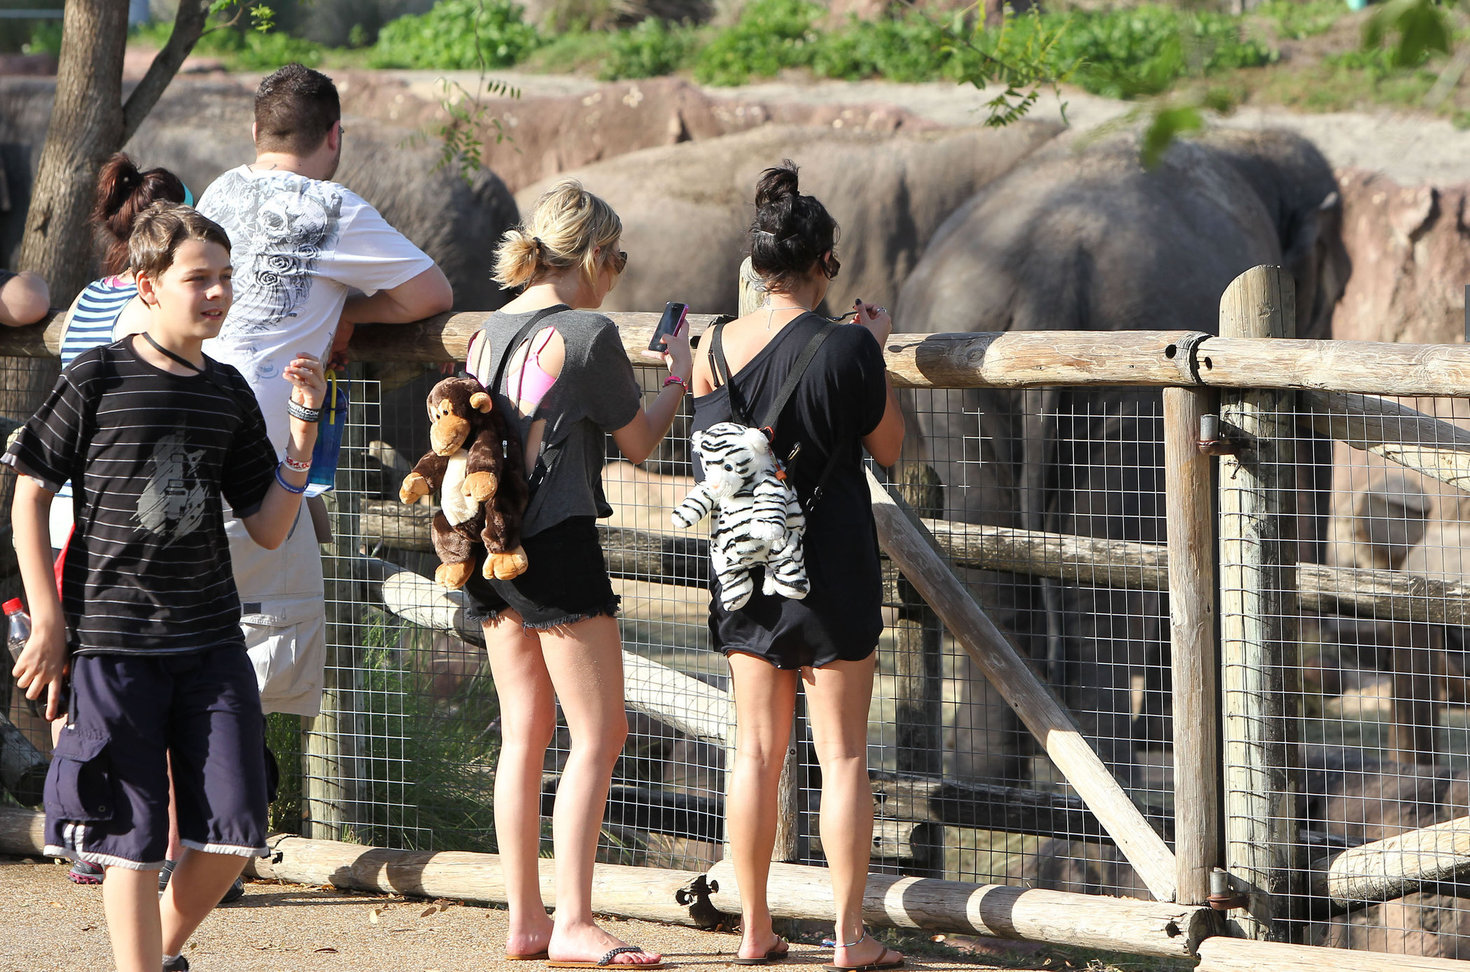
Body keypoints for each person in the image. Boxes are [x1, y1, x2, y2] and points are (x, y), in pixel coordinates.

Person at [4, 203, 327, 972]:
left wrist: (304, 434)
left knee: (237, 832)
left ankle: (154, 952)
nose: (217, 293)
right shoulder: (97, 376)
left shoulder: (228, 391)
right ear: (148, 285)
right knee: (132, 840)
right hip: (114, 647)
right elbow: (29, 494)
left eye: (226, 277)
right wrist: (48, 621)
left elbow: (270, 526)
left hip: (212, 644)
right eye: (198, 278)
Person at [465, 180, 690, 968]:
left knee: (524, 733)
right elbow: (640, 445)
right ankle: (575, 921)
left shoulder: (487, 331)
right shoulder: (589, 334)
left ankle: (527, 921)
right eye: (617, 259)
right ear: (593, 255)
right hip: (556, 545)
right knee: (600, 732)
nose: (617, 273)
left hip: (488, 545)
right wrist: (677, 375)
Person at [687, 161, 904, 971]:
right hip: (830, 562)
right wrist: (874, 350)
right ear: (825, 263)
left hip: (745, 562)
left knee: (754, 753)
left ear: (757, 265)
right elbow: (891, 447)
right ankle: (849, 938)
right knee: (842, 757)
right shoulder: (848, 347)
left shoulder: (710, 347)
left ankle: (754, 930)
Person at [196, 62, 452, 719]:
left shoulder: (219, 191)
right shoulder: (333, 207)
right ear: (334, 135)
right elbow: (432, 295)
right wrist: (351, 313)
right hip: (258, 461)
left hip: (182, 440)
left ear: (256, 131)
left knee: (184, 655)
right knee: (252, 675)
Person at [49, 152, 193, 887]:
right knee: (147, 684)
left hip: (68, 514)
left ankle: (81, 831)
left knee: (75, 679)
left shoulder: (85, 300)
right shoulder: (148, 311)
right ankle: (157, 844)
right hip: (119, 520)